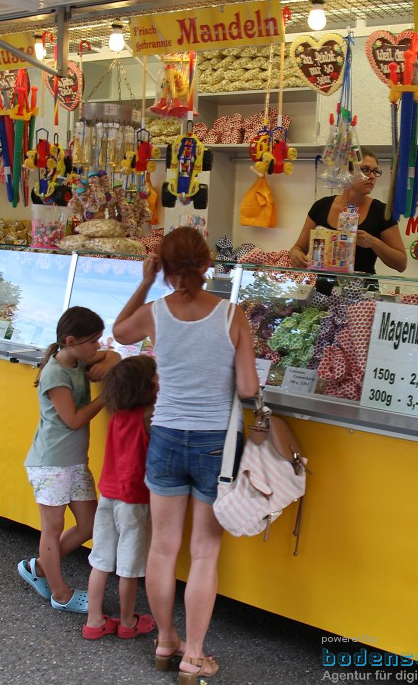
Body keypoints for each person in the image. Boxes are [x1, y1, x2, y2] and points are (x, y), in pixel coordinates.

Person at [113, 227, 259, 684]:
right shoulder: (233, 315)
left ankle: (164, 641)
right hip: (216, 442)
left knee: (162, 548)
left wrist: (144, 282)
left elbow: (119, 331)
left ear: (166, 268)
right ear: (208, 263)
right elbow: (249, 389)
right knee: (203, 554)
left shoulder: (154, 313)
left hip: (167, 438)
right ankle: (194, 656)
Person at [17, 306, 120, 613]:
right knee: (52, 527)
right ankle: (60, 593)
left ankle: (38, 566)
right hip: (51, 463)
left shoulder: (77, 358)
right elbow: (73, 420)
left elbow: (110, 356)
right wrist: (106, 396)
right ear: (71, 340)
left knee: (89, 525)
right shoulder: (55, 374)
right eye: (93, 341)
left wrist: (112, 358)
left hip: (74, 462)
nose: (98, 347)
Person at [81, 355, 159, 641]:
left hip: (108, 495)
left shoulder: (115, 414)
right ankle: (127, 622)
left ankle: (94, 620)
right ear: (146, 387)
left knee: (100, 559)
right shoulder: (149, 415)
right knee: (129, 566)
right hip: (135, 499)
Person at [289, 149, 408, 274]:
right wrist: (295, 254)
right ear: (346, 172)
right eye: (365, 170)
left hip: (362, 291)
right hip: (322, 290)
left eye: (375, 171)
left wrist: (374, 243)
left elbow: (401, 264)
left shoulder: (382, 211)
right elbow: (299, 247)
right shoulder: (321, 206)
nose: (372, 176)